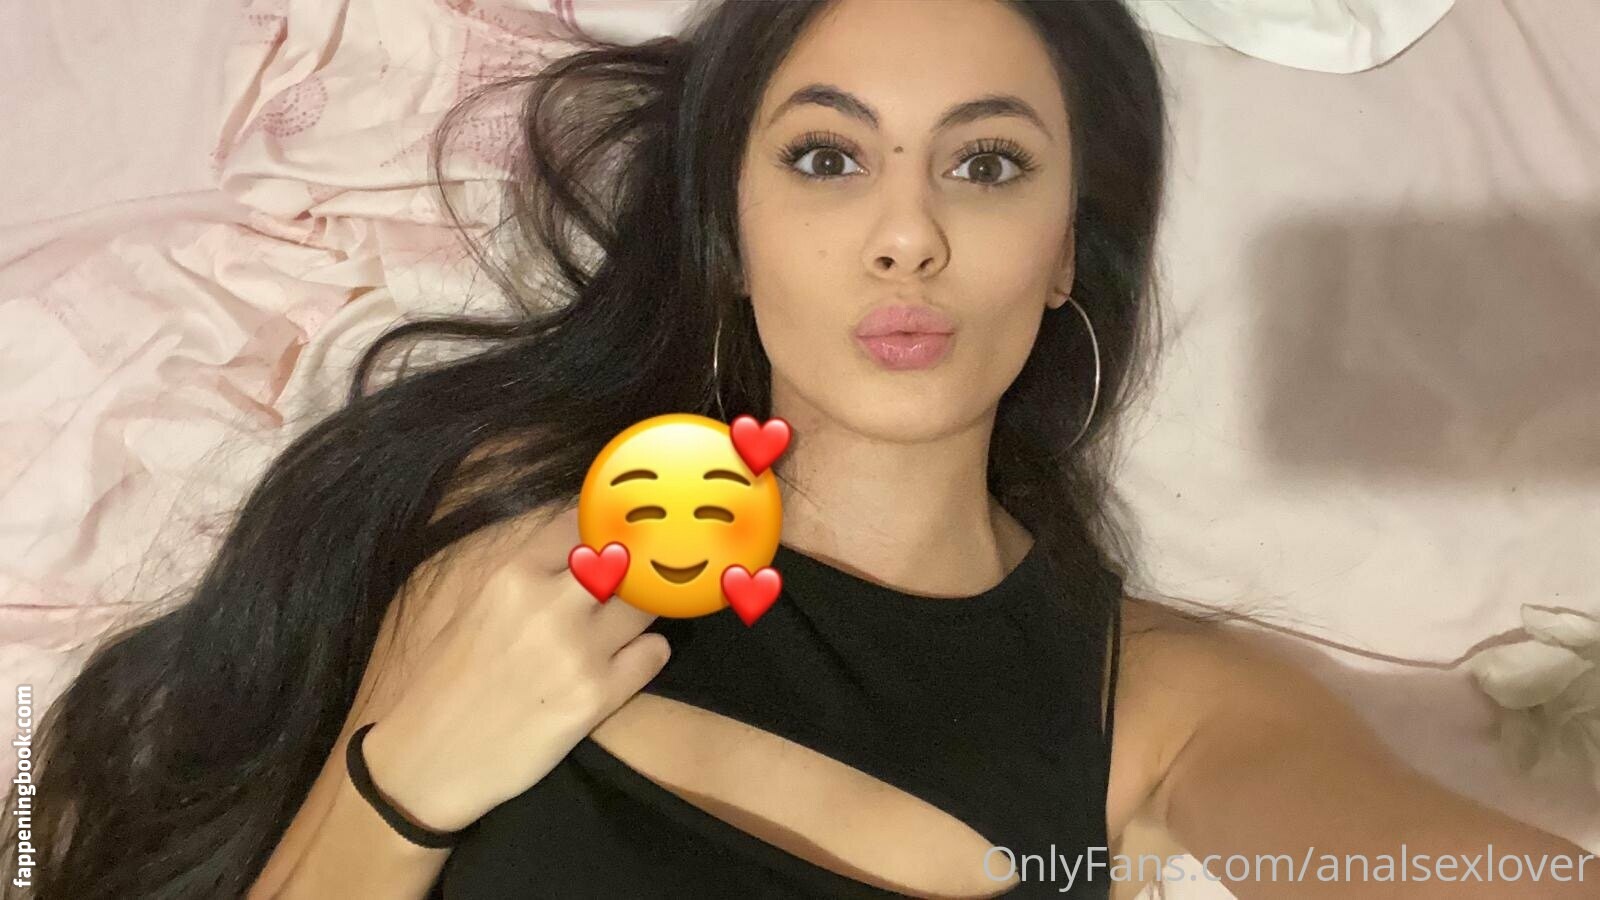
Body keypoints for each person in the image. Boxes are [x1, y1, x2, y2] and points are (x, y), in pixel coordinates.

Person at [7, 1, 1590, 898]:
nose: (906, 236)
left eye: (986, 164)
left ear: (1063, 249)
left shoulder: (1171, 705)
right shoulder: (524, 525)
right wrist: (396, 781)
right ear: (735, 235)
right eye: (829, 159)